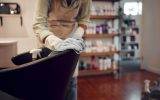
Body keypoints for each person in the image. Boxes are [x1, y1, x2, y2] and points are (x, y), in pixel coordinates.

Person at [32, 0, 91, 100]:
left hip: (71, 43)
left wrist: (76, 37)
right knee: (49, 84)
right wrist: (54, 41)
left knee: (70, 82)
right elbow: (39, 24)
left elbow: (84, 20)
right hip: (49, 41)